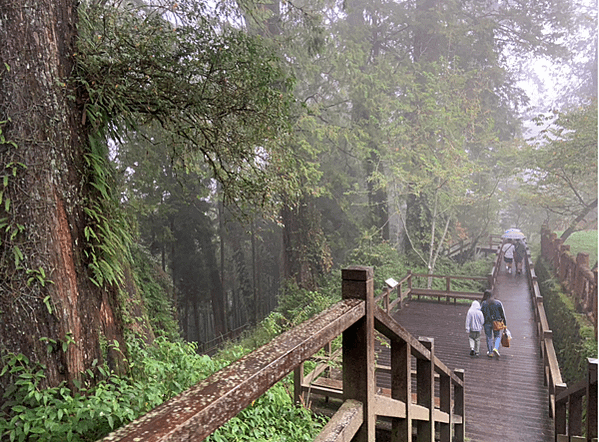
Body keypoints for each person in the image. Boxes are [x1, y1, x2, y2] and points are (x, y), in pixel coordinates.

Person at [481, 291, 507, 358]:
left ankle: (490, 352)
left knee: (489, 337)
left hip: (487, 323)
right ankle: (496, 348)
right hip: (496, 322)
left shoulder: (484, 303)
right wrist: (505, 325)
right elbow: (502, 314)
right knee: (497, 336)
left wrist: (481, 323)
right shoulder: (498, 303)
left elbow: (481, 314)